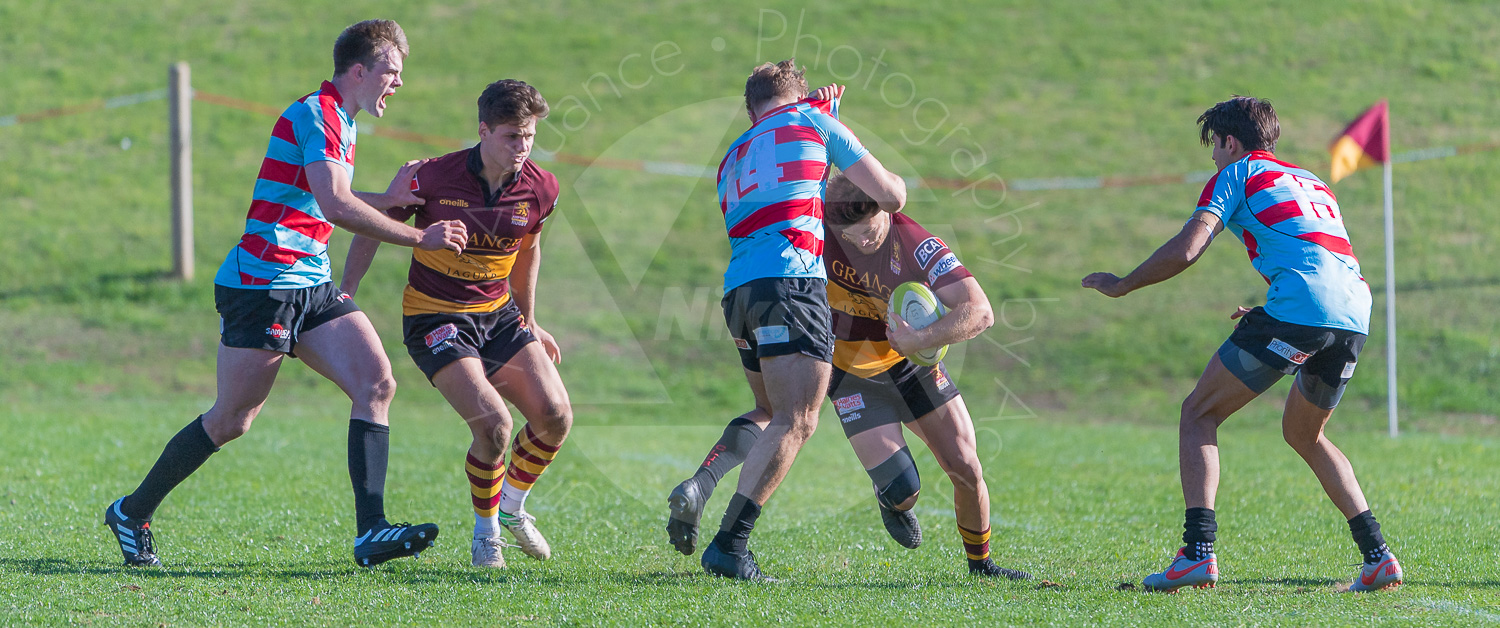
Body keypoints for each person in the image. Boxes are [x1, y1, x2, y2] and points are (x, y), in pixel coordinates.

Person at [105, 19, 465, 569]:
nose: (398, 83)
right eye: (392, 72)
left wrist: (389, 199)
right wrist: (421, 236)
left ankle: (371, 532)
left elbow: (329, 199)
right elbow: (339, 207)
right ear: (360, 70)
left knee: (377, 382)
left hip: (310, 280)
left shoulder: (342, 117)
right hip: (264, 283)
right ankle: (132, 511)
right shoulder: (315, 113)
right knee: (232, 420)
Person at [1082, 96, 1402, 593]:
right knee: (1304, 433)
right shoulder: (1313, 180)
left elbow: (1189, 248)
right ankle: (1378, 556)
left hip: (1303, 309)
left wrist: (1124, 283)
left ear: (1230, 142)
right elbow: (1314, 254)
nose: (1212, 157)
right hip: (1354, 313)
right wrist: (1271, 311)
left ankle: (1197, 554)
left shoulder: (1236, 174)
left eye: (1214, 146)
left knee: (1198, 413)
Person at [670, 174, 1032, 579]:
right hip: (852, 378)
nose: (860, 242)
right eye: (850, 235)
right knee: (904, 492)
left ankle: (982, 567)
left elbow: (980, 311)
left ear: (885, 210)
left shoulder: (917, 243)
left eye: (868, 232)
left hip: (911, 364)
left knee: (965, 465)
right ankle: (889, 498)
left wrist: (921, 339)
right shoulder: (818, 234)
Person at [671, 62, 907, 581]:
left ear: (750, 108)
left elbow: (793, 189)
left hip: (741, 289)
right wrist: (831, 121)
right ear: (799, 96)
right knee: (797, 419)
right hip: (793, 281)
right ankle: (730, 547)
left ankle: (701, 486)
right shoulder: (815, 121)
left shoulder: (731, 155)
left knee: (767, 409)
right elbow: (889, 196)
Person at [341, 79, 568, 570]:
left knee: (555, 416)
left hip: (500, 315)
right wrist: (349, 290)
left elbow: (528, 251)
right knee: (494, 426)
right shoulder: (433, 177)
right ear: (483, 130)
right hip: (435, 315)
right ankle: (486, 533)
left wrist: (530, 319)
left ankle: (511, 507)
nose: (522, 148)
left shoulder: (542, 187)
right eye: (512, 136)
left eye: (529, 136)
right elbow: (374, 221)